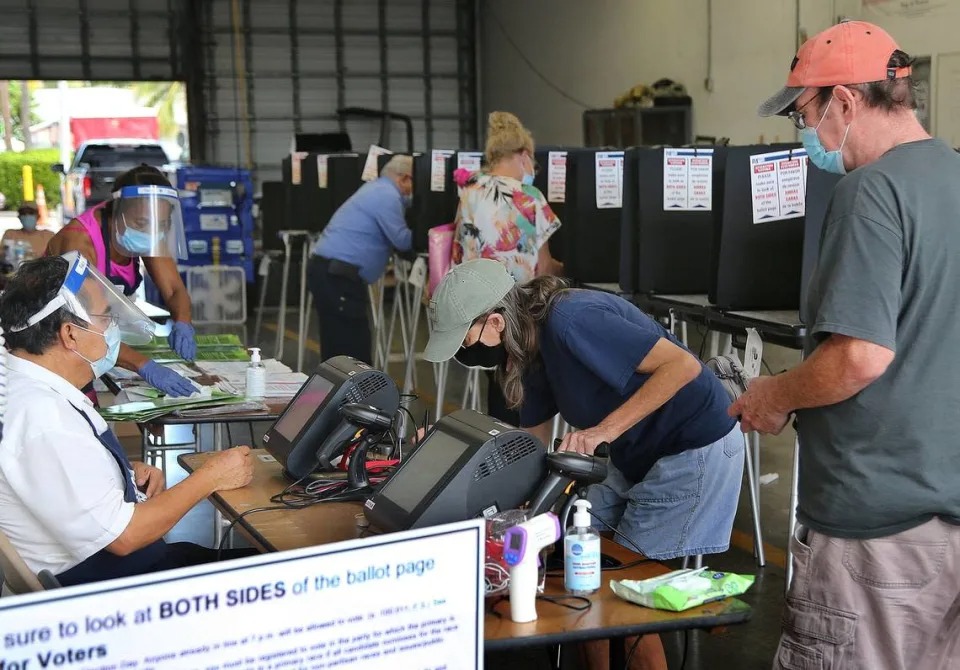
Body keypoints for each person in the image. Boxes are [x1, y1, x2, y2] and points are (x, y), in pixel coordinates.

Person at [735, 21, 960, 670]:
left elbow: (861, 356)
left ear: (845, 101)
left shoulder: (871, 193)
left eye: (803, 114)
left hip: (879, 532)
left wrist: (775, 395)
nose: (804, 133)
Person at [424, 259, 744, 670]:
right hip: (635, 455)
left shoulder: (573, 320)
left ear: (495, 324)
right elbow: (530, 449)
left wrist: (601, 432)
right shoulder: (529, 349)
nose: (466, 354)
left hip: (693, 448)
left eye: (464, 342)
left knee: (627, 595)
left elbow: (683, 366)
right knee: (577, 568)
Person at [0, 255, 256, 587]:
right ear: (70, 334)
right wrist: (211, 477)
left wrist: (116, 471)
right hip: (122, 590)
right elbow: (126, 537)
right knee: (281, 567)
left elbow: (56, 474)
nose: (112, 329)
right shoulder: (43, 418)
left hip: (115, 568)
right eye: (105, 317)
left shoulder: (25, 386)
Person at [451, 111, 563, 425]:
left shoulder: (469, 192)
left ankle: (496, 447)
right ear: (523, 156)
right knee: (526, 388)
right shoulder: (530, 198)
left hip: (481, 311)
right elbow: (544, 265)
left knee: (499, 384)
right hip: (522, 311)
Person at [46, 164, 196, 397]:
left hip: (93, 343)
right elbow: (84, 325)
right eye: (141, 224)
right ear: (117, 211)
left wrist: (183, 322)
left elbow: (174, 290)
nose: (152, 233)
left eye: (161, 225)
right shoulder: (79, 242)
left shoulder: (144, 231)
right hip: (55, 348)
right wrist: (144, 365)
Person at [307, 154, 414, 363]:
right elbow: (402, 240)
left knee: (339, 347)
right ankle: (354, 396)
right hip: (338, 277)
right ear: (404, 178)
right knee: (353, 350)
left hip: (331, 273)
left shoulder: (375, 189)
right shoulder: (386, 195)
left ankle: (342, 395)